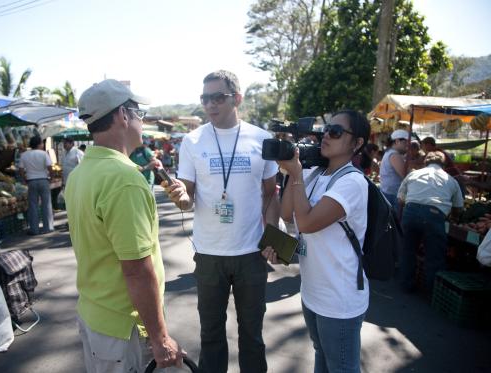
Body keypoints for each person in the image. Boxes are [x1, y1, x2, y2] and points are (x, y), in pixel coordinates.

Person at [163, 70, 278, 373]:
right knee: (211, 336)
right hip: (209, 254)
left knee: (252, 336)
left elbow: (270, 194)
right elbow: (187, 196)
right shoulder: (192, 140)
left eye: (218, 97)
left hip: (251, 254)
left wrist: (273, 237)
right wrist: (181, 199)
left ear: (236, 98)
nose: (210, 105)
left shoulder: (261, 138)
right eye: (205, 99)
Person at [67, 79, 182, 372]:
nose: (141, 120)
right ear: (122, 115)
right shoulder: (124, 179)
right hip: (123, 327)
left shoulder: (81, 173)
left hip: (95, 314)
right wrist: (160, 338)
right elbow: (137, 270)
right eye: (138, 112)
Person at [262, 110, 371, 373]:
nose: (326, 136)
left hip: (339, 298)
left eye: (335, 132)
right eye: (326, 130)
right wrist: (292, 172)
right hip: (312, 292)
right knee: (322, 357)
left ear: (357, 144)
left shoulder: (353, 182)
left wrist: (297, 175)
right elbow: (289, 214)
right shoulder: (315, 174)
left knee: (341, 368)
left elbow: (308, 224)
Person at [397, 151, 464, 294]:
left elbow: (401, 199)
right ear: (444, 164)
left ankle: (406, 285)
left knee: (407, 250)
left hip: (411, 212)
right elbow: (458, 207)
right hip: (434, 215)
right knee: (434, 255)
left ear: (425, 162)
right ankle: (431, 290)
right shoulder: (450, 180)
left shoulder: (413, 174)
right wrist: (452, 217)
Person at [19, 135, 54, 235]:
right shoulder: (43, 154)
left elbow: (21, 170)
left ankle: (34, 229)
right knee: (46, 204)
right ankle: (48, 228)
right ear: (39, 144)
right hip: (43, 180)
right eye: (42, 143)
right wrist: (51, 177)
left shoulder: (24, 154)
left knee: (33, 205)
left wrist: (25, 179)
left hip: (31, 181)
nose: (43, 145)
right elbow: (50, 167)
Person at [380, 129, 408, 209]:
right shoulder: (394, 155)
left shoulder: (390, 153)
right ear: (397, 141)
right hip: (393, 195)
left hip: (389, 193)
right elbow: (405, 175)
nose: (407, 144)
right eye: (405, 142)